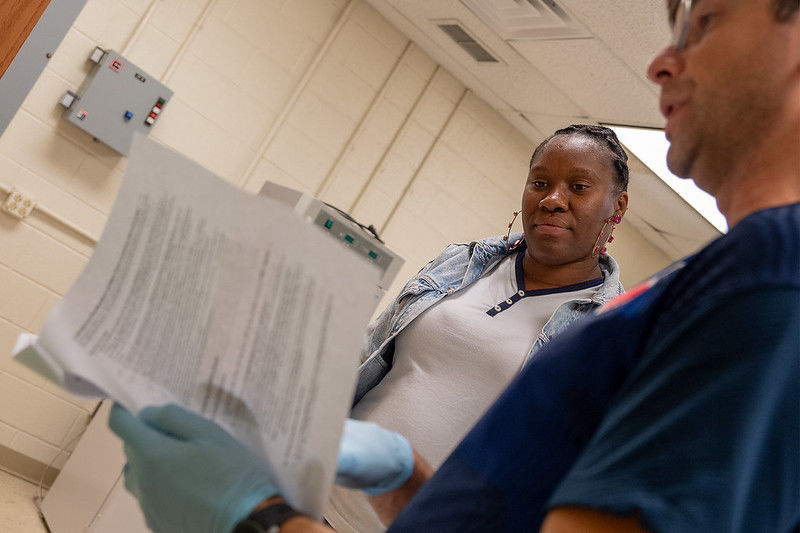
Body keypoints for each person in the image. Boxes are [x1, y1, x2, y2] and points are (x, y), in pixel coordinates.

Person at [109, 0, 800, 531]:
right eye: (539, 181)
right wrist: (407, 474)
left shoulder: (767, 277)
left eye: (704, 22)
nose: (660, 63)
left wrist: (260, 517)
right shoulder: (697, 286)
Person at [328, 123, 629, 532]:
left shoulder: (608, 333)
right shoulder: (463, 261)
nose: (552, 200)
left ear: (618, 206)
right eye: (540, 182)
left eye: (578, 187)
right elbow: (368, 352)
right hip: (314, 489)